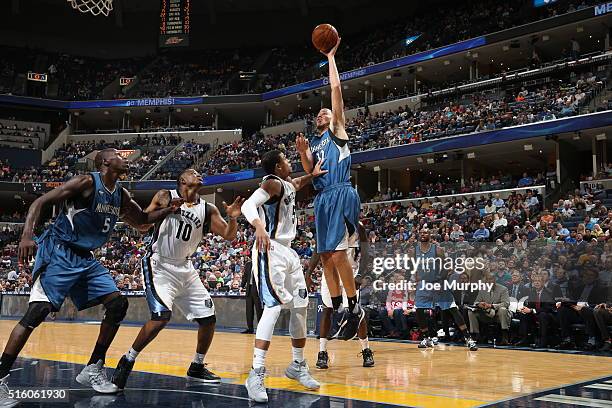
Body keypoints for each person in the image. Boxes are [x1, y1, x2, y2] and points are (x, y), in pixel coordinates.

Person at [0, 149, 180, 404]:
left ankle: (93, 366)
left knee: (118, 304)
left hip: (85, 257)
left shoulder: (121, 194)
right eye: (119, 154)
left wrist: (168, 211)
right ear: (105, 162)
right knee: (37, 311)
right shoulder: (85, 182)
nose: (125, 157)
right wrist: (27, 234)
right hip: (60, 250)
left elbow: (141, 221)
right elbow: (39, 202)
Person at [111, 169, 244, 389]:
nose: (199, 174)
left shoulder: (207, 209)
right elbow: (143, 225)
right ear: (182, 180)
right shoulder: (165, 195)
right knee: (161, 317)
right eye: (194, 173)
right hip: (160, 264)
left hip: (185, 267)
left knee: (208, 318)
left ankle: (197, 366)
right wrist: (163, 211)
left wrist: (232, 217)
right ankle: (128, 360)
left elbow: (229, 236)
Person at [241, 150, 325, 403]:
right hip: (271, 249)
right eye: (286, 160)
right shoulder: (272, 182)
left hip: (288, 251)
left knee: (300, 306)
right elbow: (248, 205)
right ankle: (255, 373)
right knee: (274, 306)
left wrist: (311, 175)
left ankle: (297, 365)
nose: (290, 162)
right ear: (278, 167)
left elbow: (297, 184)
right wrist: (259, 228)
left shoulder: (286, 184)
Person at [296, 36, 364, 341]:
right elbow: (309, 173)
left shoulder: (338, 131)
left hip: (341, 192)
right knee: (326, 256)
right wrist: (301, 154)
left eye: (327, 111)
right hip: (322, 199)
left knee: (338, 256)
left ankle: (354, 307)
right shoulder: (314, 143)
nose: (324, 113)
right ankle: (338, 307)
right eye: (320, 112)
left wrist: (331, 57)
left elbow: (336, 90)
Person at [308, 222, 374, 370]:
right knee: (327, 310)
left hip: (350, 273)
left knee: (355, 311)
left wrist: (361, 274)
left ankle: (366, 350)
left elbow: (366, 251)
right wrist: (309, 272)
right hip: (330, 273)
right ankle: (322, 353)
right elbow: (318, 250)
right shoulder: (326, 222)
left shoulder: (358, 226)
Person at [413, 229, 478, 351]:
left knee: (452, 309)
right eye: (421, 233)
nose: (423, 234)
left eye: (426, 233)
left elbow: (447, 267)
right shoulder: (414, 251)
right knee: (419, 309)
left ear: (430, 236)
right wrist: (416, 277)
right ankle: (426, 338)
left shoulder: (437, 250)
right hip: (424, 284)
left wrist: (440, 282)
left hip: (439, 282)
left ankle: (468, 338)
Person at [240, 259, 263, 334]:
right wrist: (242, 286)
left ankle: (260, 329)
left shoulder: (261, 263)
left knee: (259, 310)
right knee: (249, 311)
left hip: (258, 290)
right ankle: (250, 328)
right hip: (249, 289)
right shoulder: (248, 264)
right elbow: (245, 276)